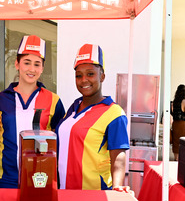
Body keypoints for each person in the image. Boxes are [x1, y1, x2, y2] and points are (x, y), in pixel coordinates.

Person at [0, 35, 65, 188]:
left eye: (37, 64)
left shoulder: (54, 100)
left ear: (42, 68)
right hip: (5, 179)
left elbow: (59, 144)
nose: (32, 69)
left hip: (41, 177)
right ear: (17, 64)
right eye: (27, 63)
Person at [56, 44, 130, 191]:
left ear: (102, 76)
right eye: (79, 75)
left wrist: (117, 186)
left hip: (93, 195)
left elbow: (118, 157)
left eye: (90, 74)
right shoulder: (74, 107)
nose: (84, 80)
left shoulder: (114, 113)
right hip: (62, 191)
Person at [171, 84, 185, 160]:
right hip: (182, 125)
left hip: (175, 124)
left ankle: (176, 158)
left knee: (175, 142)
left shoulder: (173, 102)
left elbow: (173, 113)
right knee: (184, 142)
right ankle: (182, 160)